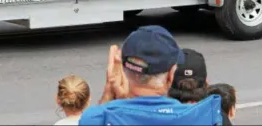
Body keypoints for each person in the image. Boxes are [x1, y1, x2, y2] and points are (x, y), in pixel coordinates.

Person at [79, 25, 222, 125]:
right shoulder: (207, 116)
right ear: (171, 74)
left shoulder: (97, 117)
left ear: (123, 71)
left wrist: (109, 93)